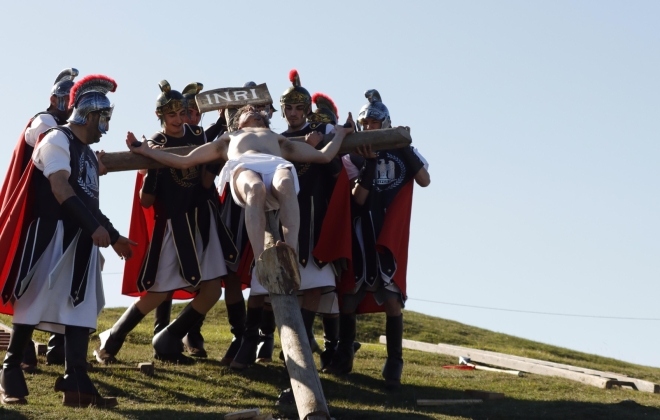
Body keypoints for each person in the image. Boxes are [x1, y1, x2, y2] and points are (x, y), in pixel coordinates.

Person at [0, 74, 132, 407]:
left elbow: (88, 202)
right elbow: (61, 188)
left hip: (80, 238)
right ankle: (10, 372)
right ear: (90, 115)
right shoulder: (56, 139)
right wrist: (94, 228)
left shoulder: (86, 153)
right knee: (32, 302)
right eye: (103, 118)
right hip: (50, 235)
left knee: (80, 309)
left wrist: (114, 236)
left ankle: (77, 382)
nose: (105, 127)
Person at [96, 81, 235, 365]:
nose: (178, 119)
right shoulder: (155, 143)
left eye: (182, 112)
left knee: (212, 290)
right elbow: (146, 201)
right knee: (158, 292)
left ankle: (169, 340)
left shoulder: (197, 134)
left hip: (203, 220)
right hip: (175, 224)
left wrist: (219, 143)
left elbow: (205, 181)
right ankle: (111, 339)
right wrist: (151, 172)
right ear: (160, 115)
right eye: (172, 114)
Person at [326, 89, 430, 391]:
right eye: (365, 123)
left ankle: (394, 362)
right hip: (361, 230)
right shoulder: (353, 154)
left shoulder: (404, 150)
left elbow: (424, 180)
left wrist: (404, 146)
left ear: (385, 122)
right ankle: (345, 353)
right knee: (349, 295)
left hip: (389, 230)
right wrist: (368, 164)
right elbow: (357, 199)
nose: (369, 127)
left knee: (392, 298)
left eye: (373, 122)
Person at [0, 68, 79, 370]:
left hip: (64, 215)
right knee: (30, 280)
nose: (70, 106)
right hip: (38, 215)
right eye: (67, 100)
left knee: (67, 278)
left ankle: (59, 348)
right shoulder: (45, 122)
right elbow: (39, 137)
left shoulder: (70, 131)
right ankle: (21, 353)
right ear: (54, 99)